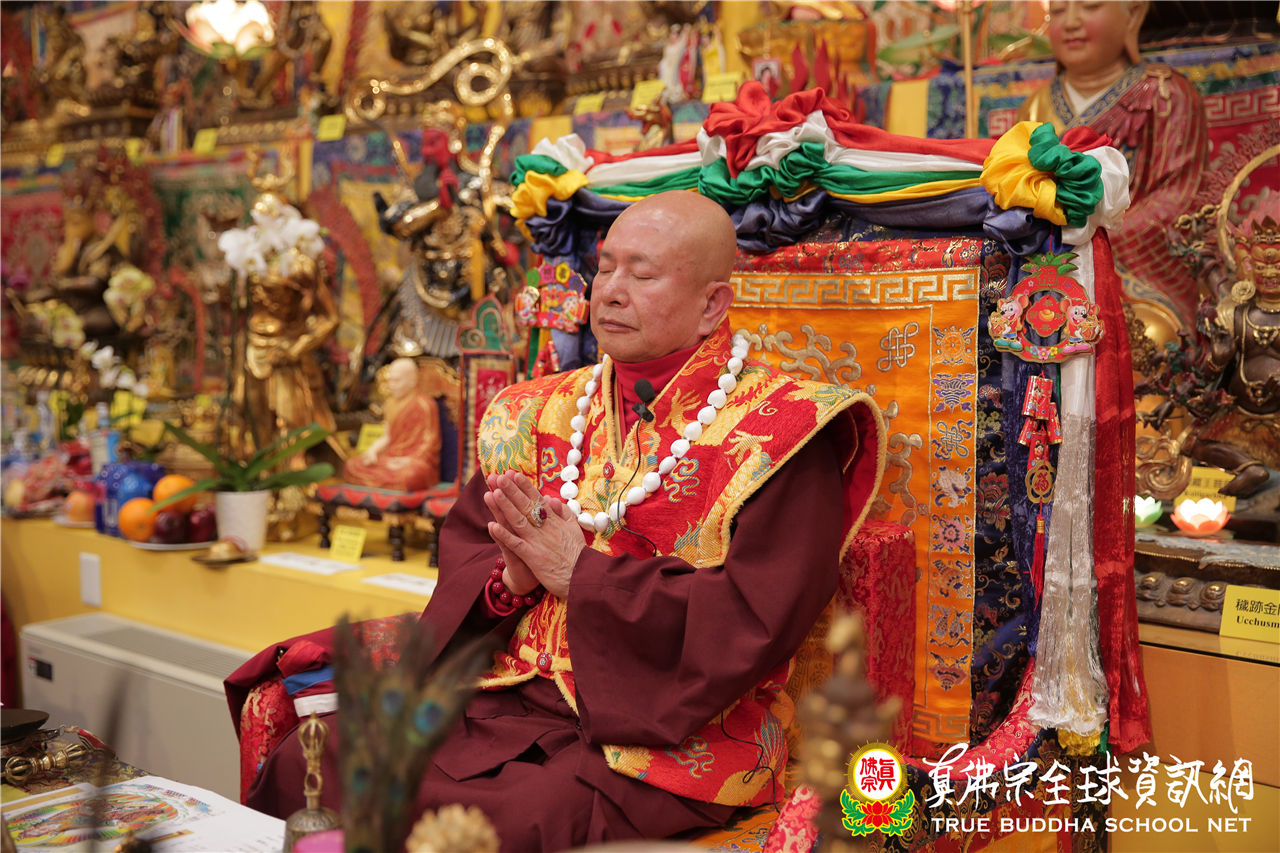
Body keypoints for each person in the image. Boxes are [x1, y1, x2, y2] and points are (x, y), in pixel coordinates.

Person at [227, 191, 884, 850]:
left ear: (712, 303)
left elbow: (757, 618)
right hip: (503, 697)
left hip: (664, 737)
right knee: (320, 761)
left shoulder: (781, 434)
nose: (610, 292)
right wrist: (506, 582)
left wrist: (580, 575)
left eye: (643, 274)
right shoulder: (534, 412)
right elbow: (468, 558)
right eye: (606, 267)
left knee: (497, 827)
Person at [1017, 0, 1208, 331]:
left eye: (1090, 6)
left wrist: (1088, 242)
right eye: (1058, 11)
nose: (1071, 22)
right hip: (1050, 268)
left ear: (1133, 14)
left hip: (1134, 275)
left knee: (1150, 334)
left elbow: (1177, 199)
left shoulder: (1166, 95)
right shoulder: (1034, 107)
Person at [342, 357, 441, 491]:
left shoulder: (425, 405)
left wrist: (408, 460)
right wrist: (372, 451)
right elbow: (387, 436)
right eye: (390, 381)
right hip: (390, 459)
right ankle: (386, 480)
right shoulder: (390, 404)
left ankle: (385, 480)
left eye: (397, 381)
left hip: (412, 462)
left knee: (411, 476)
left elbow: (429, 442)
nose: (391, 385)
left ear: (412, 381)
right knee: (351, 465)